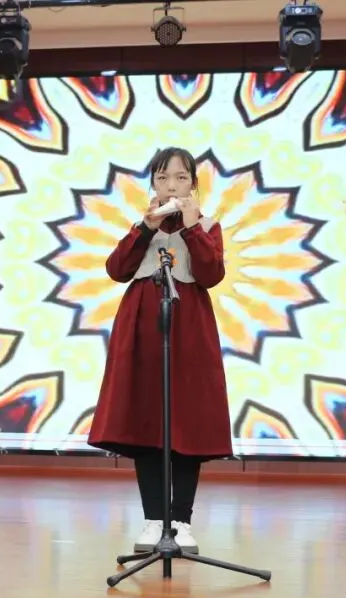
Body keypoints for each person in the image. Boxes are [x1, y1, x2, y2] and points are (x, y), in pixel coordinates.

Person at [87, 147, 232, 555]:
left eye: (181, 178)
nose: (172, 186)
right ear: (152, 183)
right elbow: (117, 270)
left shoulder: (207, 226)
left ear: (194, 185)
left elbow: (210, 274)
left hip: (190, 330)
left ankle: (181, 521)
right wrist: (145, 229)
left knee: (188, 422)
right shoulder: (142, 226)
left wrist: (191, 228)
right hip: (141, 329)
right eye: (163, 178)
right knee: (147, 421)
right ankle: (154, 519)